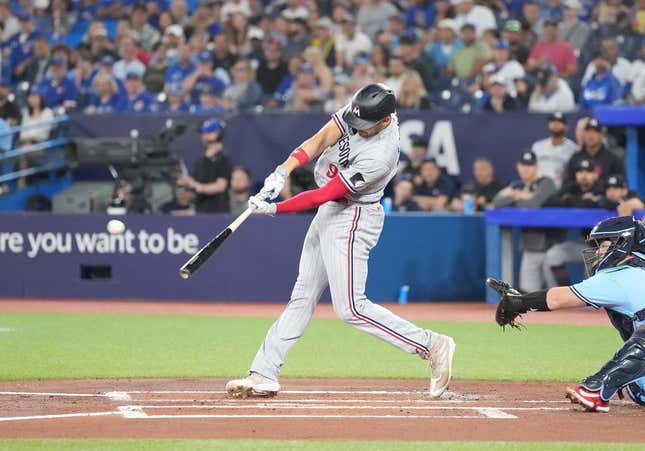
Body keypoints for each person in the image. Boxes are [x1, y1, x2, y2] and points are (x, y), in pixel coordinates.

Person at [225, 84, 456, 398]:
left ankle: (432, 345)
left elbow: (324, 194)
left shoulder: (381, 155)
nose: (357, 130)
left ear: (385, 122)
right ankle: (263, 372)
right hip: (330, 213)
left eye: (365, 127)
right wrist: (285, 169)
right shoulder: (366, 105)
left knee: (350, 307)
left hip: (353, 217)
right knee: (302, 296)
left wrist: (275, 207)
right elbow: (321, 139)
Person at [488, 216, 645, 412]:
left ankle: (597, 387)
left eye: (604, 245)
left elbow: (557, 299)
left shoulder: (620, 274)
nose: (598, 252)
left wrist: (519, 302)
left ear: (623, 244)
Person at [491, 150, 558, 292]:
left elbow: (533, 204)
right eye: (523, 165)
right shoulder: (517, 186)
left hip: (551, 247)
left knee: (557, 296)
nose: (526, 168)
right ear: (518, 167)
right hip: (530, 249)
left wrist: (516, 198)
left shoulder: (546, 183)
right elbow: (497, 202)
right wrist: (519, 195)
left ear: (536, 167)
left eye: (530, 165)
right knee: (528, 297)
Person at [178, 119, 232, 214]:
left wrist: (198, 186)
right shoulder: (202, 160)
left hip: (217, 212)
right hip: (201, 211)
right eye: (203, 132)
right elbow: (195, 182)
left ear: (217, 133)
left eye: (208, 132)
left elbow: (221, 186)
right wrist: (186, 183)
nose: (203, 135)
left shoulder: (223, 158)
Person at [564, 118, 623, 184]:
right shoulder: (575, 158)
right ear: (584, 134)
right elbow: (567, 183)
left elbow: (619, 185)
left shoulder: (612, 159)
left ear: (601, 135)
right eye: (588, 131)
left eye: (595, 132)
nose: (591, 135)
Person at [531, 112, 579, 189]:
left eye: (559, 122)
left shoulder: (574, 149)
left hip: (560, 189)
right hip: (538, 188)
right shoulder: (538, 146)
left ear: (566, 127)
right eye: (553, 122)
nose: (556, 125)